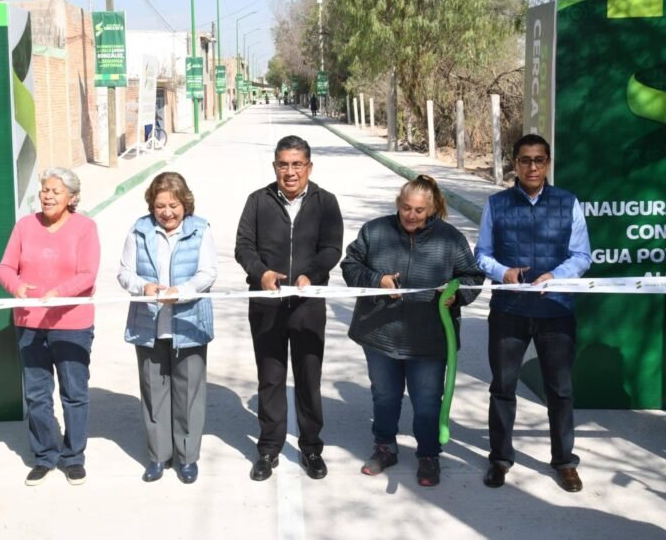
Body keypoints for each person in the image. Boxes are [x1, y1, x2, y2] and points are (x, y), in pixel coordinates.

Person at [341, 175, 484, 487]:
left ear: (431, 209)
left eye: (419, 210)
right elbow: (350, 265)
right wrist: (377, 280)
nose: (411, 215)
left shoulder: (450, 239)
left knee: (428, 399)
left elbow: (472, 277)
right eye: (406, 208)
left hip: (429, 340)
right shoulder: (374, 231)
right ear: (398, 204)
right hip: (380, 335)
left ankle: (429, 455)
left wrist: (455, 294)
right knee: (385, 395)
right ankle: (384, 447)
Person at [474, 134, 591, 493]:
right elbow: (482, 254)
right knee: (502, 387)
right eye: (525, 160)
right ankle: (500, 459)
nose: (533, 167)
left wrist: (557, 276)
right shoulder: (496, 205)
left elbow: (582, 256)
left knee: (560, 390)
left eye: (539, 160)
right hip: (508, 310)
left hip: (556, 310)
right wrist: (503, 273)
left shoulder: (568, 202)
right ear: (515, 163)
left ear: (548, 163)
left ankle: (564, 461)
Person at [235, 135, 343, 481]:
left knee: (309, 378)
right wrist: (261, 273)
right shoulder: (258, 201)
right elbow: (244, 246)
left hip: (308, 305)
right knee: (270, 378)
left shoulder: (326, 202)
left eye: (297, 164)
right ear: (275, 167)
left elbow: (332, 248)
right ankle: (268, 448)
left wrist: (312, 274)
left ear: (309, 167)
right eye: (283, 164)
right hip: (266, 305)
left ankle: (311, 448)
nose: (290, 171)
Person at [0, 167, 100, 487]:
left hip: (72, 325)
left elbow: (88, 275)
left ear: (72, 197)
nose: (48, 196)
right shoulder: (24, 227)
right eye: (44, 190)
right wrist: (15, 286)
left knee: (74, 393)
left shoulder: (85, 228)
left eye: (55, 191)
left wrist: (60, 293)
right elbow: (4, 267)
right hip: (30, 324)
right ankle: (44, 456)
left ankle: (74, 458)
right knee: (37, 395)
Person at [117, 172, 217, 485]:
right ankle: (158, 456)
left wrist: (182, 292)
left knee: (188, 395)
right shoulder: (139, 229)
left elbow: (207, 273)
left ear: (185, 203)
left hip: (189, 323)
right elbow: (124, 272)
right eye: (160, 206)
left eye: (173, 205)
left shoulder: (200, 229)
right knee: (153, 392)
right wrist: (143, 287)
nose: (167, 212)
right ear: (151, 205)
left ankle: (187, 457)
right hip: (148, 325)